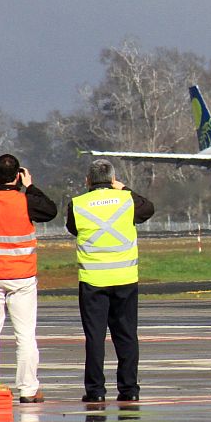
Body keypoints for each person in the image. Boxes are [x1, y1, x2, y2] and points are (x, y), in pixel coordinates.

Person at [0, 154, 57, 404]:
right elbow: (50, 210)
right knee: (25, 335)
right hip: (22, 277)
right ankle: (27, 389)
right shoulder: (25, 201)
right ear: (18, 175)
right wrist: (29, 185)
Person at [65, 159, 154, 404]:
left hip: (93, 280)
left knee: (95, 337)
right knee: (126, 335)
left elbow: (73, 228)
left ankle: (95, 391)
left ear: (88, 181)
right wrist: (124, 190)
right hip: (125, 278)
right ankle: (129, 389)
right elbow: (148, 209)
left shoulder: (77, 204)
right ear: (113, 180)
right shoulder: (127, 200)